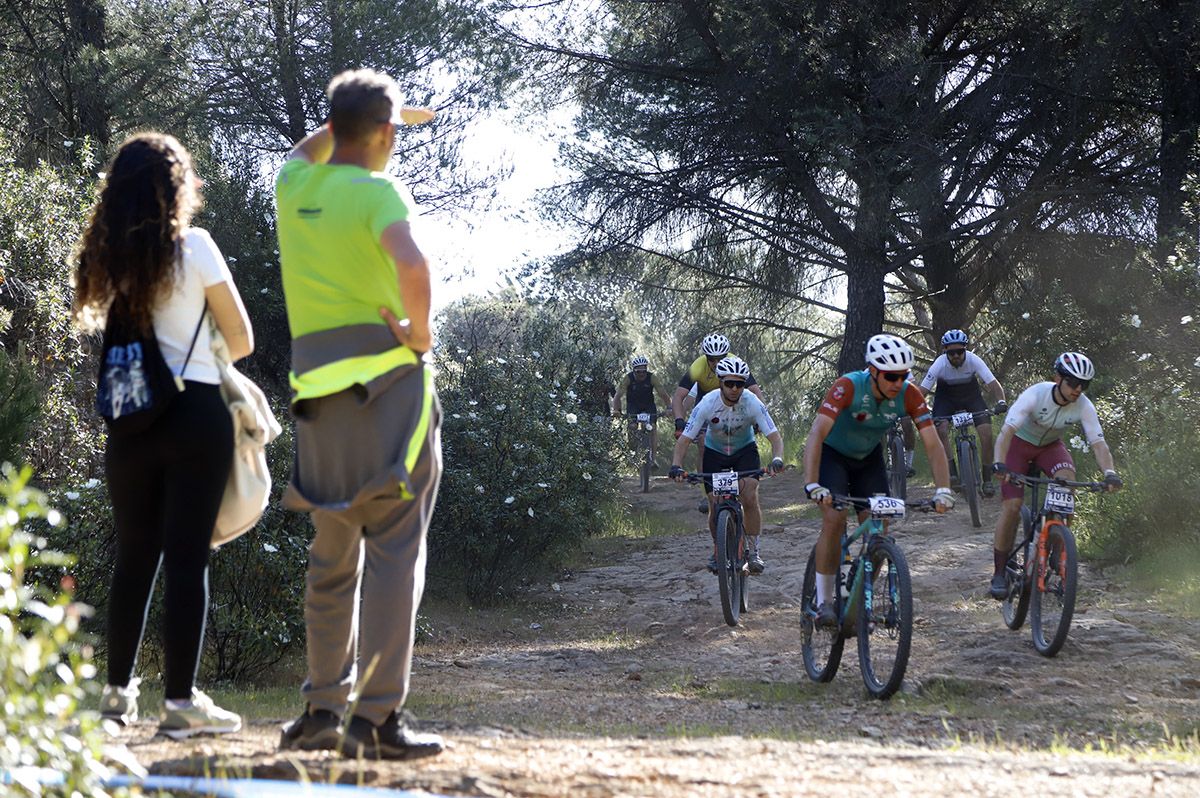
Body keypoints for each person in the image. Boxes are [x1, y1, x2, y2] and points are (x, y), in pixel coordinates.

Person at [273, 68, 443, 760]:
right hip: (389, 394)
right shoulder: (378, 191)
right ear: (381, 134)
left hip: (316, 402)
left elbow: (307, 151)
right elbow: (414, 264)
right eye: (393, 132)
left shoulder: (294, 186)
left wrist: (368, 116)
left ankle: (319, 709)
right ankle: (375, 721)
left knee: (331, 556)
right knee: (395, 553)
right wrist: (421, 333)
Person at [73, 132, 254, 738]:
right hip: (196, 413)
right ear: (175, 188)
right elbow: (244, 338)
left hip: (131, 422)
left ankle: (116, 699)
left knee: (133, 559)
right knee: (186, 559)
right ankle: (180, 706)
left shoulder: (112, 261)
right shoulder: (196, 247)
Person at [802, 334, 954, 627]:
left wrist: (943, 489)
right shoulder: (848, 386)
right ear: (873, 371)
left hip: (868, 461)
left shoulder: (909, 394)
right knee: (834, 519)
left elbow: (933, 445)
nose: (898, 383)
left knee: (879, 529)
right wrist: (812, 483)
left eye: (904, 375)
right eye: (891, 376)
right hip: (833, 457)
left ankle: (857, 596)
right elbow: (817, 434)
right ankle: (823, 602)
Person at [988, 352, 1122, 598]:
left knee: (1067, 481)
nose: (1078, 389)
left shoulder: (1083, 405)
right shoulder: (1035, 395)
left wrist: (1110, 473)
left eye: (1084, 384)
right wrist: (999, 463)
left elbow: (1099, 444)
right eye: (1072, 382)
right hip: (1018, 445)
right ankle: (998, 572)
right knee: (1013, 505)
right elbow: (1006, 433)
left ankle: (1057, 546)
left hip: (1050, 447)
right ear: (1057, 378)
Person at [669, 356, 784, 574]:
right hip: (715, 453)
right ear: (720, 381)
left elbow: (776, 438)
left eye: (739, 384)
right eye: (729, 383)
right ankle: (718, 549)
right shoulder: (707, 403)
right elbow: (685, 439)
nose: (734, 389)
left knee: (749, 495)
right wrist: (676, 465)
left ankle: (754, 550)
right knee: (714, 502)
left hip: (745, 451)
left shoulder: (752, 402)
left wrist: (777, 459)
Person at [919, 329, 1008, 496]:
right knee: (941, 428)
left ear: (965, 349)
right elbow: (922, 390)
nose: (956, 356)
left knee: (986, 434)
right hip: (946, 399)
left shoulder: (974, 360)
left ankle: (987, 479)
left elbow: (993, 384)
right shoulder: (939, 363)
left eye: (960, 351)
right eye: (951, 353)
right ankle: (952, 473)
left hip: (971, 397)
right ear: (945, 351)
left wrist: (1001, 401)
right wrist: (915, 408)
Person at [671, 333, 766, 471]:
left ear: (727, 355)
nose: (716, 363)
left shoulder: (735, 362)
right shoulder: (698, 367)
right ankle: (707, 487)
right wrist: (679, 420)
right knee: (703, 444)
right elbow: (678, 397)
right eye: (711, 359)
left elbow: (756, 392)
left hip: (734, 403)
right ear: (706, 357)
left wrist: (759, 420)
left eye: (721, 358)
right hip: (707, 402)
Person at [612, 355, 672, 463]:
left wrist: (669, 408)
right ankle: (632, 449)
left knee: (652, 428)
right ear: (634, 371)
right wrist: (616, 410)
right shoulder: (628, 378)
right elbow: (617, 396)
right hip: (633, 405)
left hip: (648, 405)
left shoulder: (652, 377)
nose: (641, 374)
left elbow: (663, 394)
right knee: (632, 426)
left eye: (644, 371)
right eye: (638, 372)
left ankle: (653, 459)